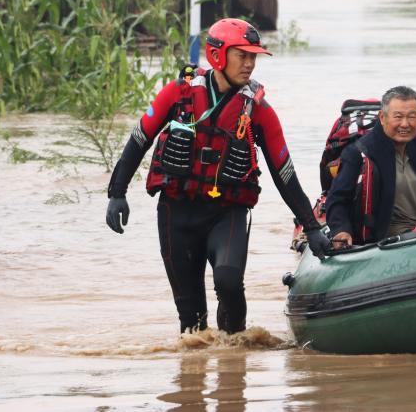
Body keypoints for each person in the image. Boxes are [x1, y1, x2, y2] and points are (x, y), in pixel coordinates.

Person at [104, 18, 330, 335]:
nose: (250, 64)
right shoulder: (177, 94)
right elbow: (139, 140)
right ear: (217, 56)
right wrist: (117, 193)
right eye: (243, 55)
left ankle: (234, 361)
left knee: (229, 283)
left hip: (228, 213)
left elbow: (284, 172)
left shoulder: (259, 111)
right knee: (191, 317)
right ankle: (193, 377)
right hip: (176, 212)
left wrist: (311, 225)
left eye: (254, 57)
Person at [326, 86, 416, 248]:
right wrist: (341, 230)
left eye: (412, 117)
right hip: (382, 242)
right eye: (398, 117)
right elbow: (337, 199)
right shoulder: (359, 153)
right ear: (382, 117)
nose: (405, 124)